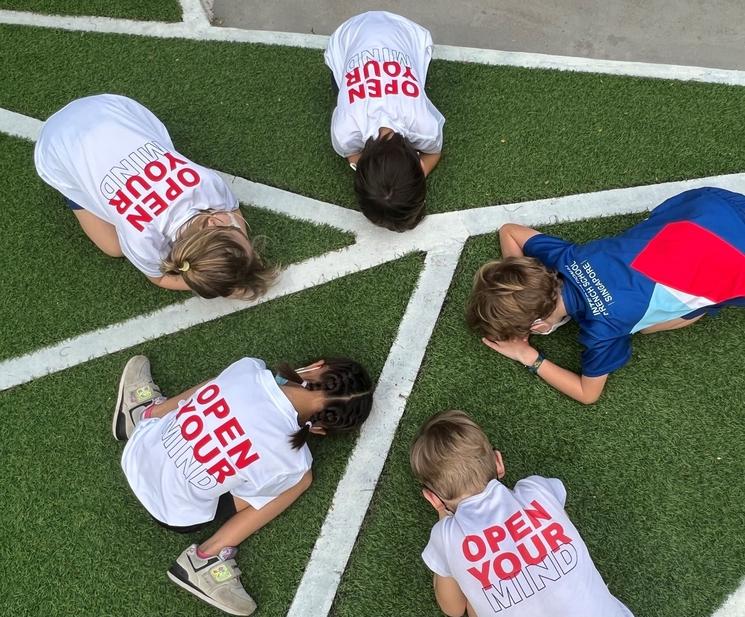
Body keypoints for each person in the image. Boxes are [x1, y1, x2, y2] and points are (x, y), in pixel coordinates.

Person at [113, 354, 373, 615]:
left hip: (140, 449)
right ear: (320, 430)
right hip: (174, 513)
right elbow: (246, 490)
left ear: (317, 366)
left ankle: (142, 414)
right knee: (301, 480)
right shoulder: (294, 462)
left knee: (218, 384)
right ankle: (206, 559)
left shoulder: (249, 368)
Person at [466, 187, 745, 404]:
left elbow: (587, 393)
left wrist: (528, 356)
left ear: (539, 326)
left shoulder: (603, 330)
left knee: (649, 327)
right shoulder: (565, 257)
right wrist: (519, 277)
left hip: (737, 256)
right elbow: (509, 232)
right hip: (707, 206)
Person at [34, 94, 276, 298]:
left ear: (214, 222)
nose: (241, 226)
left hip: (109, 110)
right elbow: (159, 279)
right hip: (58, 149)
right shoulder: (141, 239)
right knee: (113, 248)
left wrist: (225, 273)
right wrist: (224, 286)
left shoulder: (207, 184)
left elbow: (232, 213)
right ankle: (78, 194)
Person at [410, 410, 634, 617]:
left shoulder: (446, 537)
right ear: (499, 463)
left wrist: (443, 518)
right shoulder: (538, 489)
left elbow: (454, 609)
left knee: (472, 606)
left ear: (433, 499)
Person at [324, 11, 445, 231]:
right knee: (341, 92)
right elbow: (352, 155)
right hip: (350, 35)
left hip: (401, 33)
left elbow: (434, 154)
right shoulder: (344, 132)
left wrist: (419, 173)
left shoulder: (425, 127)